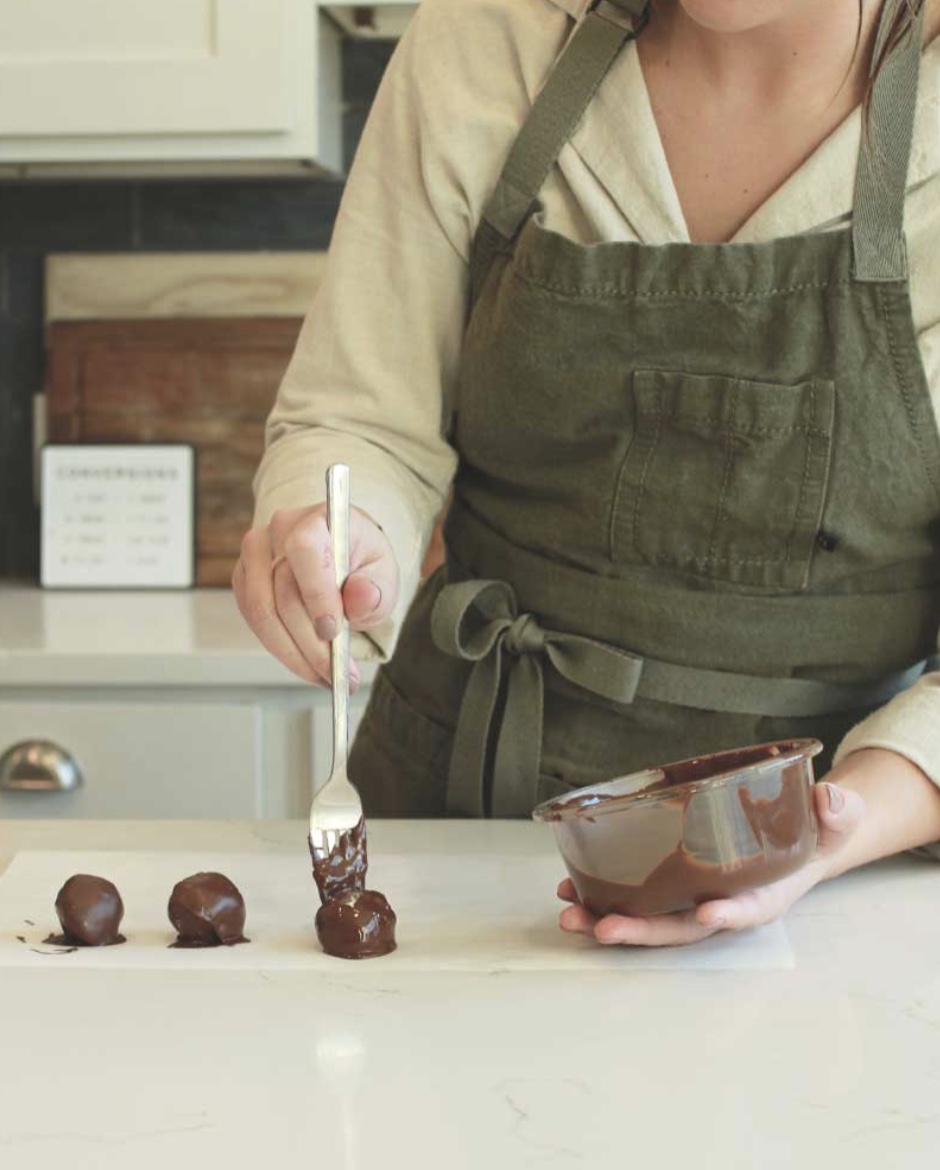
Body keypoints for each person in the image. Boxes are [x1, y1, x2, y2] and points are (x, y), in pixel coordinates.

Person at [235, 0, 940, 946]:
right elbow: (364, 419)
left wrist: (823, 833)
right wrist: (332, 530)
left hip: (824, 898)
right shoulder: (493, 33)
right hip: (452, 837)